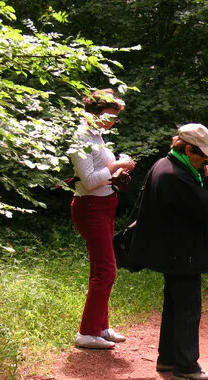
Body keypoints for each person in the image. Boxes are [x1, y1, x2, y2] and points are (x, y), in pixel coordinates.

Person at [127, 124, 208, 380]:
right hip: (184, 252)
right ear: (188, 148)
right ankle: (186, 365)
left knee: (174, 306)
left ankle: (168, 358)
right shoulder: (178, 176)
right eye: (202, 156)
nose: (205, 162)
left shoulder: (164, 165)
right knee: (188, 309)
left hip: (174, 251)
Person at [69, 88, 136, 350]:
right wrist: (118, 166)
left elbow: (101, 175)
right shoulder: (81, 137)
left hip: (105, 205)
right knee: (107, 269)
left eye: (115, 118)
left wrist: (118, 168)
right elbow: (89, 181)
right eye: (108, 115)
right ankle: (86, 333)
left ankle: (100, 327)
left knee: (101, 268)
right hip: (91, 208)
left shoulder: (96, 135)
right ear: (93, 112)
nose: (111, 121)